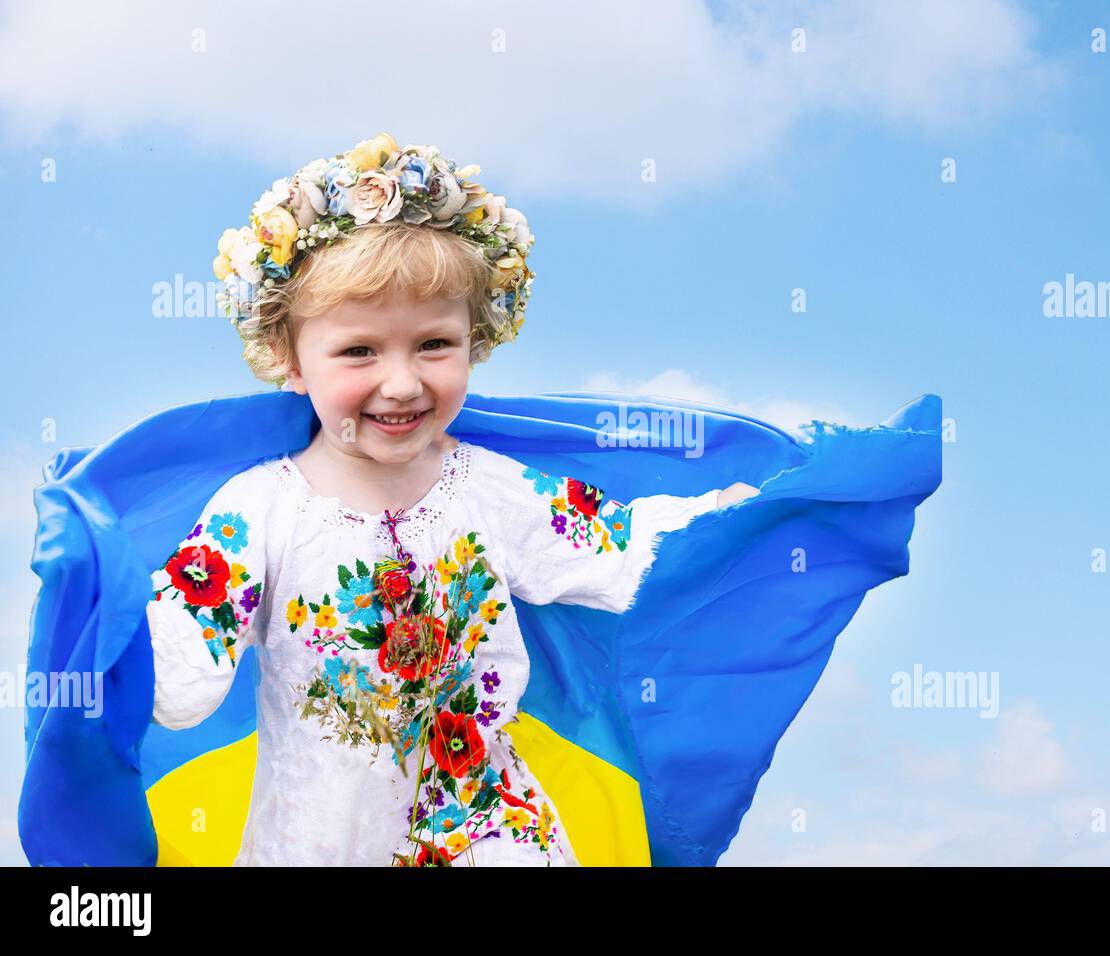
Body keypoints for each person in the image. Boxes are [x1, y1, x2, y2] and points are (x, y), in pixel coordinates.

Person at [19, 134, 940, 868]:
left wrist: (773, 508)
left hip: (492, 835)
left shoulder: (490, 488)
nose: (401, 382)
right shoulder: (260, 505)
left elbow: (635, 553)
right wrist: (95, 608)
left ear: (475, 342)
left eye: (433, 345)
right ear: (288, 360)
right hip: (317, 842)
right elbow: (181, 677)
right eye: (358, 353)